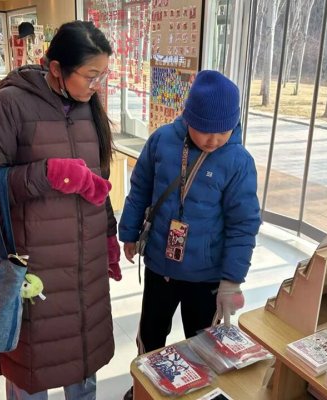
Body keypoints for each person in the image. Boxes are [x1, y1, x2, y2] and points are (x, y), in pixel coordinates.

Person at [0, 21, 121, 400]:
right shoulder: (9, 105)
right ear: (56, 68)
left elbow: (98, 182)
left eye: (103, 75)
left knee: (83, 366)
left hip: (86, 266)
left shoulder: (89, 107)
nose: (97, 85)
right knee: (31, 372)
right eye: (91, 75)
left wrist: (109, 234)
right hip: (34, 268)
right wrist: (46, 174)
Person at [118, 70, 261, 399]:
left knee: (203, 345)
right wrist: (129, 233)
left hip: (205, 275)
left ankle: (197, 394)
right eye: (205, 130)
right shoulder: (161, 141)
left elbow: (243, 224)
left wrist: (231, 281)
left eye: (223, 131)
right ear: (189, 117)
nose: (214, 139)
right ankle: (143, 389)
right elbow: (140, 189)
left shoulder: (238, 161)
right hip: (160, 266)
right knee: (151, 335)